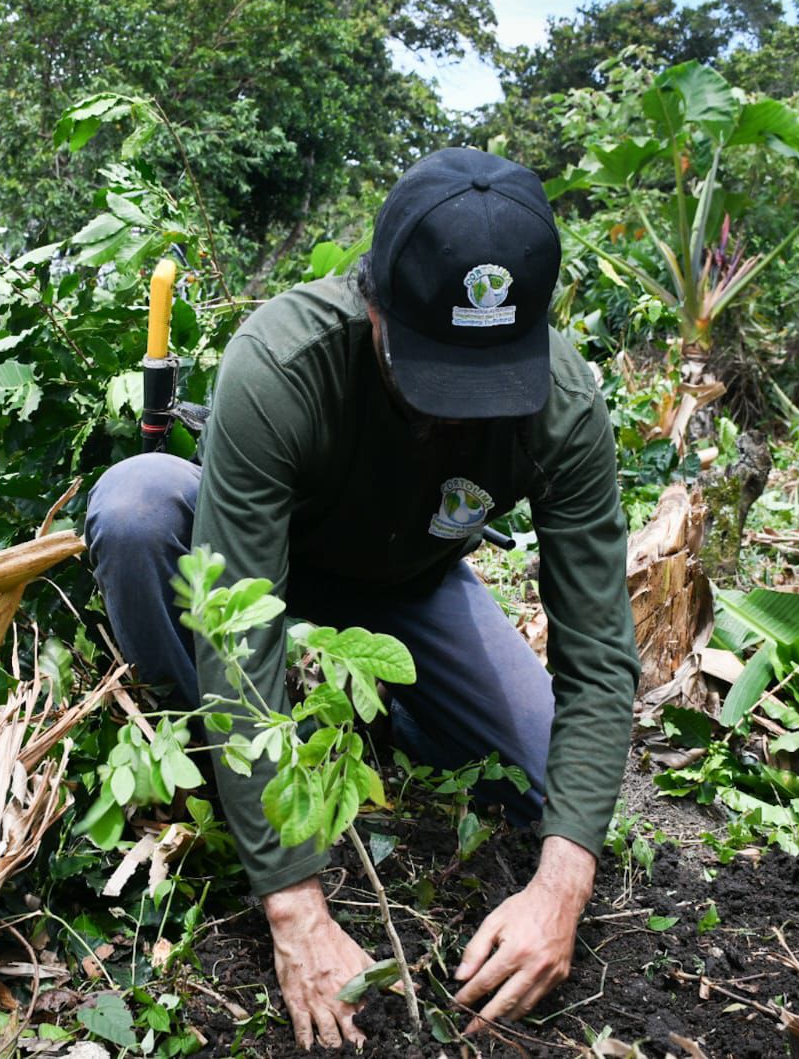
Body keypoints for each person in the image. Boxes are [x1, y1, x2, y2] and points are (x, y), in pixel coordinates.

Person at [86, 148, 639, 1049]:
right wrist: (295, 907)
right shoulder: (283, 360)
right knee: (138, 505)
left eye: (485, 381)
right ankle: (188, 736)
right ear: (373, 302)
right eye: (434, 376)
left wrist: (561, 884)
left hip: (409, 587)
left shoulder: (564, 405)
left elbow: (600, 651)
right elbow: (234, 619)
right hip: (268, 565)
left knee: (550, 785)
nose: (457, 416)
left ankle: (375, 717)